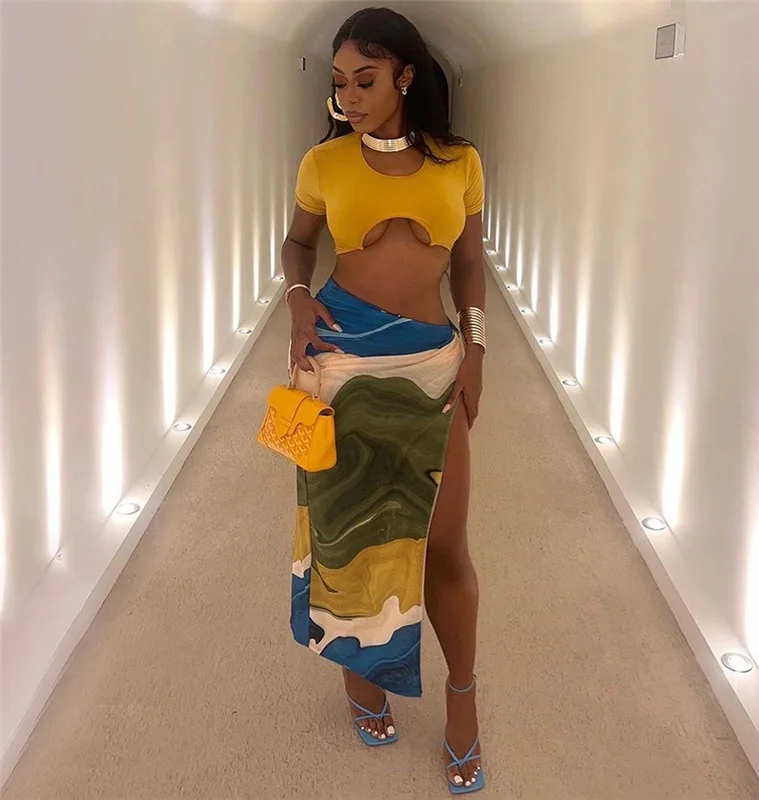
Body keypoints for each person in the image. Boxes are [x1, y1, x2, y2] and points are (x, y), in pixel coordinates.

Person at [280, 7, 486, 794]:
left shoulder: (460, 162)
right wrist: (298, 297)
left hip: (432, 362)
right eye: (339, 84)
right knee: (347, 542)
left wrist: (478, 348)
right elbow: (299, 242)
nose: (349, 98)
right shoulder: (325, 162)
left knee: (445, 544)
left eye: (365, 81)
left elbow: (469, 264)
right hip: (339, 362)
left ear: (405, 76)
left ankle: (462, 698)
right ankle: (359, 675)